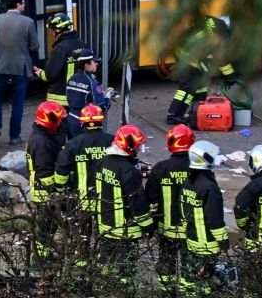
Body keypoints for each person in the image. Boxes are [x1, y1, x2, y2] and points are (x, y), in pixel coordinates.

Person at [96, 125, 153, 273]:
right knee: (124, 271)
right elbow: (137, 204)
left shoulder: (103, 162)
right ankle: (123, 292)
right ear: (130, 148)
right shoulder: (128, 172)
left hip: (105, 227)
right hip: (124, 232)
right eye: (138, 147)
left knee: (106, 266)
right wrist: (148, 226)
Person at [166, 15, 236, 126]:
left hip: (185, 50)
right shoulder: (219, 35)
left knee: (200, 87)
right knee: (187, 88)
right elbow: (220, 58)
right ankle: (174, 116)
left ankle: (197, 112)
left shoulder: (213, 22)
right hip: (188, 56)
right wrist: (230, 77)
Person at [54, 104, 113, 235]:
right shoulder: (112, 141)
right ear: (101, 121)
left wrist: (60, 188)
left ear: (82, 123)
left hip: (82, 201)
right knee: (104, 236)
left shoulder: (74, 144)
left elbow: (61, 170)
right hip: (107, 200)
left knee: (82, 238)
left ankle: (82, 255)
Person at [146, 124, 193, 287]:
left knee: (166, 260)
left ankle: (167, 291)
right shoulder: (197, 168)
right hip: (191, 230)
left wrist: (151, 224)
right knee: (190, 265)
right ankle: (189, 297)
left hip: (166, 227)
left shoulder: (161, 168)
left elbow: (150, 198)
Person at [182, 140, 228, 288]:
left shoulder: (188, 182)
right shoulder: (209, 187)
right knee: (205, 281)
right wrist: (223, 241)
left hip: (191, 239)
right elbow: (214, 219)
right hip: (206, 243)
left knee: (190, 279)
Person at [0, 0, 38, 146]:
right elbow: (35, 46)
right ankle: (14, 136)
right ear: (18, 4)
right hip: (20, 66)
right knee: (18, 103)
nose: (24, 5)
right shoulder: (28, 22)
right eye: (23, 3)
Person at [26, 101, 69, 259]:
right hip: (44, 192)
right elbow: (45, 175)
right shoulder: (41, 142)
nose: (61, 124)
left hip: (45, 191)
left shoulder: (45, 135)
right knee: (45, 230)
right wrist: (59, 189)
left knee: (49, 227)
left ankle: (43, 255)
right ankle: (41, 258)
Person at [34, 14, 85, 106]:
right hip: (79, 94)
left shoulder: (60, 48)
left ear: (57, 30)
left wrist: (40, 73)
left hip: (61, 98)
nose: (53, 33)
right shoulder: (81, 44)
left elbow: (50, 74)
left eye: (53, 30)